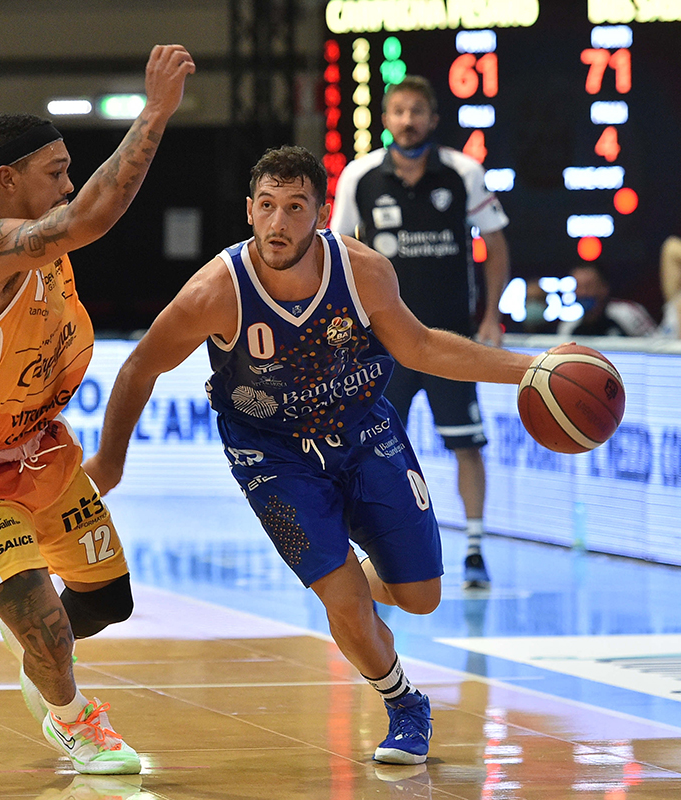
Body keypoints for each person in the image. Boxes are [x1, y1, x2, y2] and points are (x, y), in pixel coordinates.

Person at [84, 146, 533, 765]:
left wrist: (530, 369)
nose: (278, 222)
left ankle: (363, 589)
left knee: (423, 595)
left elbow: (422, 346)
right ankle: (405, 704)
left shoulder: (363, 270)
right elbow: (140, 367)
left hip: (365, 433)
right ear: (248, 211)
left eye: (295, 208)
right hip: (271, 455)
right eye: (267, 206)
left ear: (321, 214)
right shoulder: (217, 289)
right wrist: (111, 460)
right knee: (344, 603)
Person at [0, 44, 195, 776]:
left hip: (40, 450)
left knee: (109, 602)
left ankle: (36, 639)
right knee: (50, 631)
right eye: (57, 172)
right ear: (6, 181)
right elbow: (94, 217)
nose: (70, 184)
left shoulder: (38, 248)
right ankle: (74, 722)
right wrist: (154, 112)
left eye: (70, 171)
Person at [329, 75, 508, 589]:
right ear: (385, 119)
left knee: (468, 445)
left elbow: (496, 245)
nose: (407, 121)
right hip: (384, 345)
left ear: (432, 119)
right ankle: (371, 554)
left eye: (417, 111)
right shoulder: (360, 176)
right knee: (369, 449)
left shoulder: (462, 172)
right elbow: (338, 253)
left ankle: (474, 550)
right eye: (398, 111)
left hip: (449, 343)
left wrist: (491, 315)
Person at [556, 264, 655, 337]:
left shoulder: (628, 313)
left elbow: (657, 345)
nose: (583, 293)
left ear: (603, 288)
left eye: (588, 286)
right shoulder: (568, 327)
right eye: (578, 287)